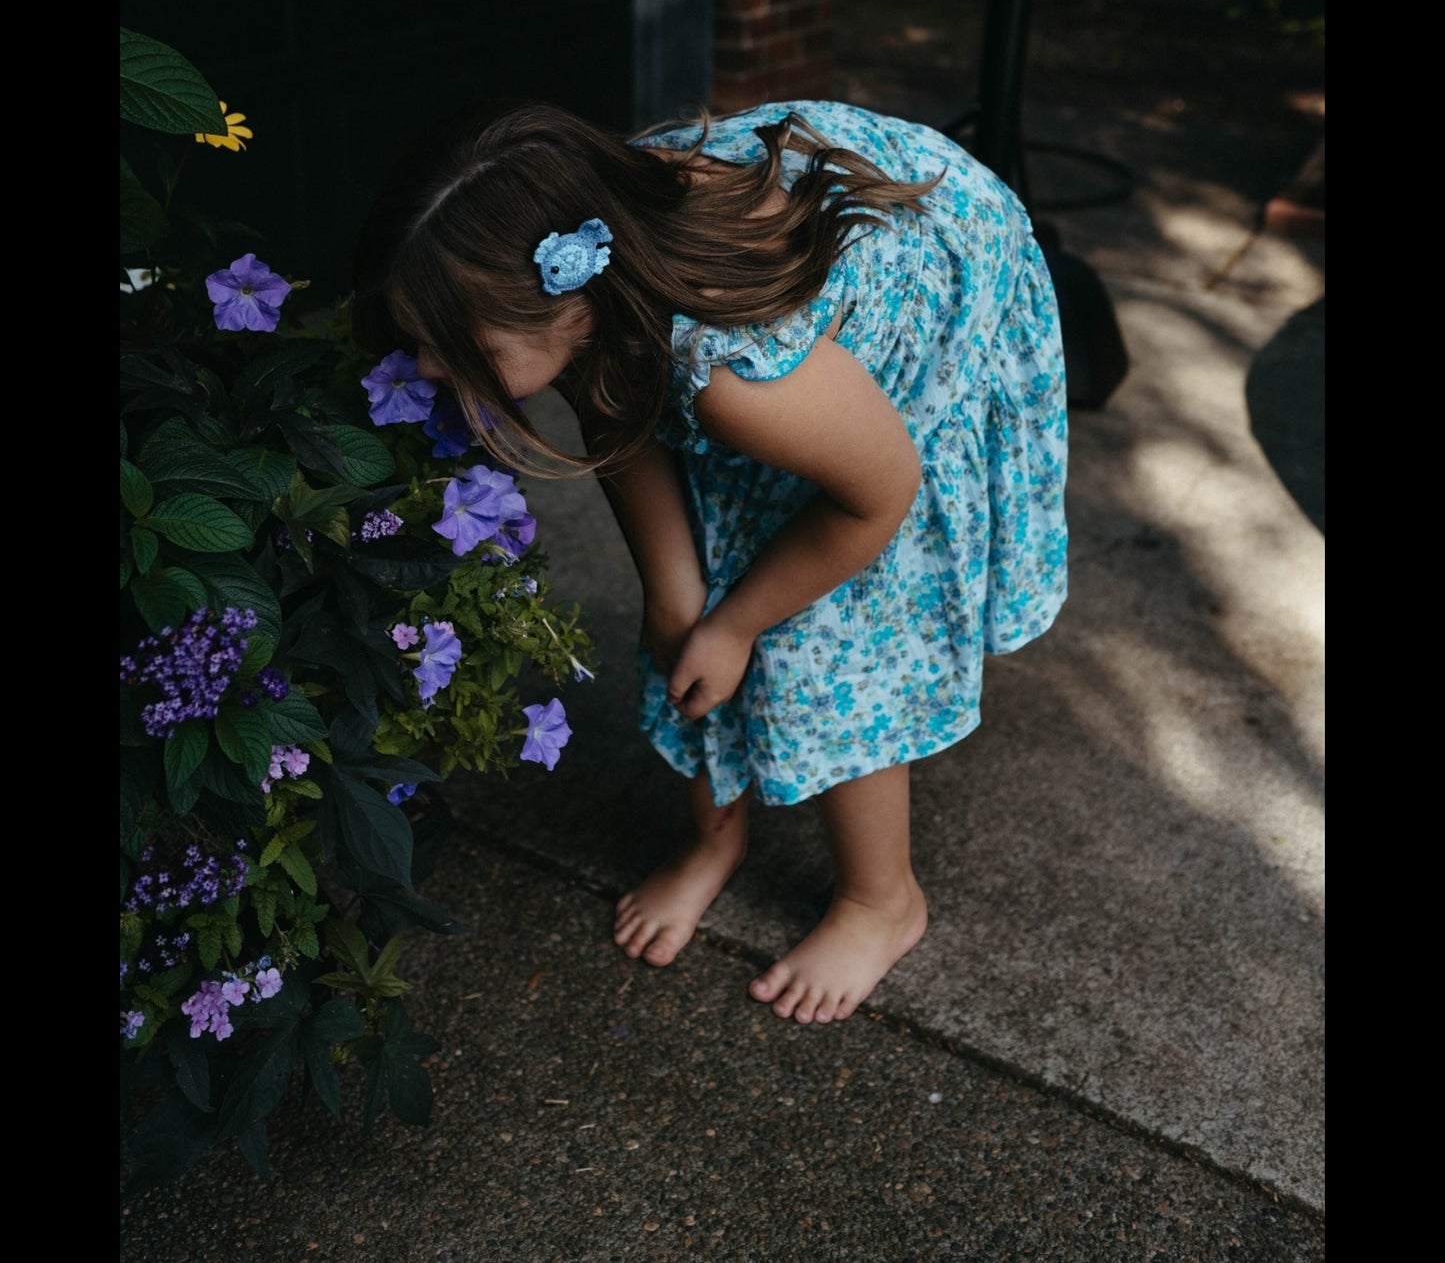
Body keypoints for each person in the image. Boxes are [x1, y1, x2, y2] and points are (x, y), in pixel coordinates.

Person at [354, 98, 1068, 1025]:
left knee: (832, 640)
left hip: (935, 284)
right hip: (783, 353)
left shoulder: (733, 376)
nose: (426, 370)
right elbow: (619, 414)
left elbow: (876, 496)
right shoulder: (574, 260)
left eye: (461, 351)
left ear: (569, 303)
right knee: (690, 614)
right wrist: (674, 589)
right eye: (420, 340)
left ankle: (880, 899)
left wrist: (737, 623)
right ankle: (713, 841)